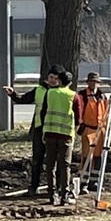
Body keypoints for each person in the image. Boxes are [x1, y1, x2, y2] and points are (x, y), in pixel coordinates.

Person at [3, 66, 58, 197]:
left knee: (54, 161)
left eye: (56, 78)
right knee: (36, 160)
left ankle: (55, 187)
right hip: (40, 129)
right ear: (47, 77)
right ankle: (34, 186)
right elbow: (23, 99)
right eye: (51, 77)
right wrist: (13, 94)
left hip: (55, 130)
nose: (53, 80)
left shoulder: (61, 93)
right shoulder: (38, 90)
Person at [41, 67, 79, 206]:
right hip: (66, 135)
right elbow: (78, 117)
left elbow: (43, 112)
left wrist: (44, 131)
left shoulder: (50, 93)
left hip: (50, 132)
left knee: (50, 165)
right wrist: (74, 132)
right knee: (65, 166)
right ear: (70, 82)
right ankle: (65, 195)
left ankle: (52, 195)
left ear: (59, 80)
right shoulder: (73, 96)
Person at [74, 72, 109, 189]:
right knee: (86, 156)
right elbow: (78, 110)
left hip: (100, 131)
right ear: (88, 82)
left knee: (98, 156)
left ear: (98, 83)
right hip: (88, 129)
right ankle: (83, 182)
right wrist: (81, 124)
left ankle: (94, 181)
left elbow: (106, 114)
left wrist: (105, 129)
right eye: (91, 82)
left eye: (95, 82)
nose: (93, 84)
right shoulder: (82, 95)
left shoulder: (103, 96)